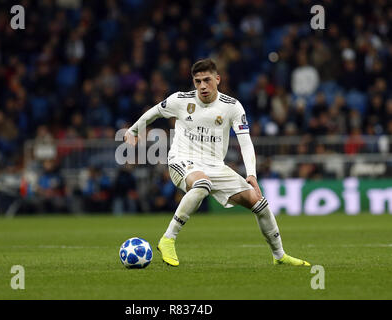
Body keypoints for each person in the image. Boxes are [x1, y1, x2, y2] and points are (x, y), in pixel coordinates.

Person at [124, 58, 310, 267]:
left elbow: (246, 143)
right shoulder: (180, 100)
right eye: (197, 81)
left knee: (260, 204)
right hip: (182, 160)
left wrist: (251, 174)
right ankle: (168, 238)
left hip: (216, 167)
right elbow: (154, 112)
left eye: (207, 80)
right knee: (202, 184)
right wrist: (132, 130)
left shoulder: (232, 107)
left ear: (218, 79)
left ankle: (280, 256)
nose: (202, 86)